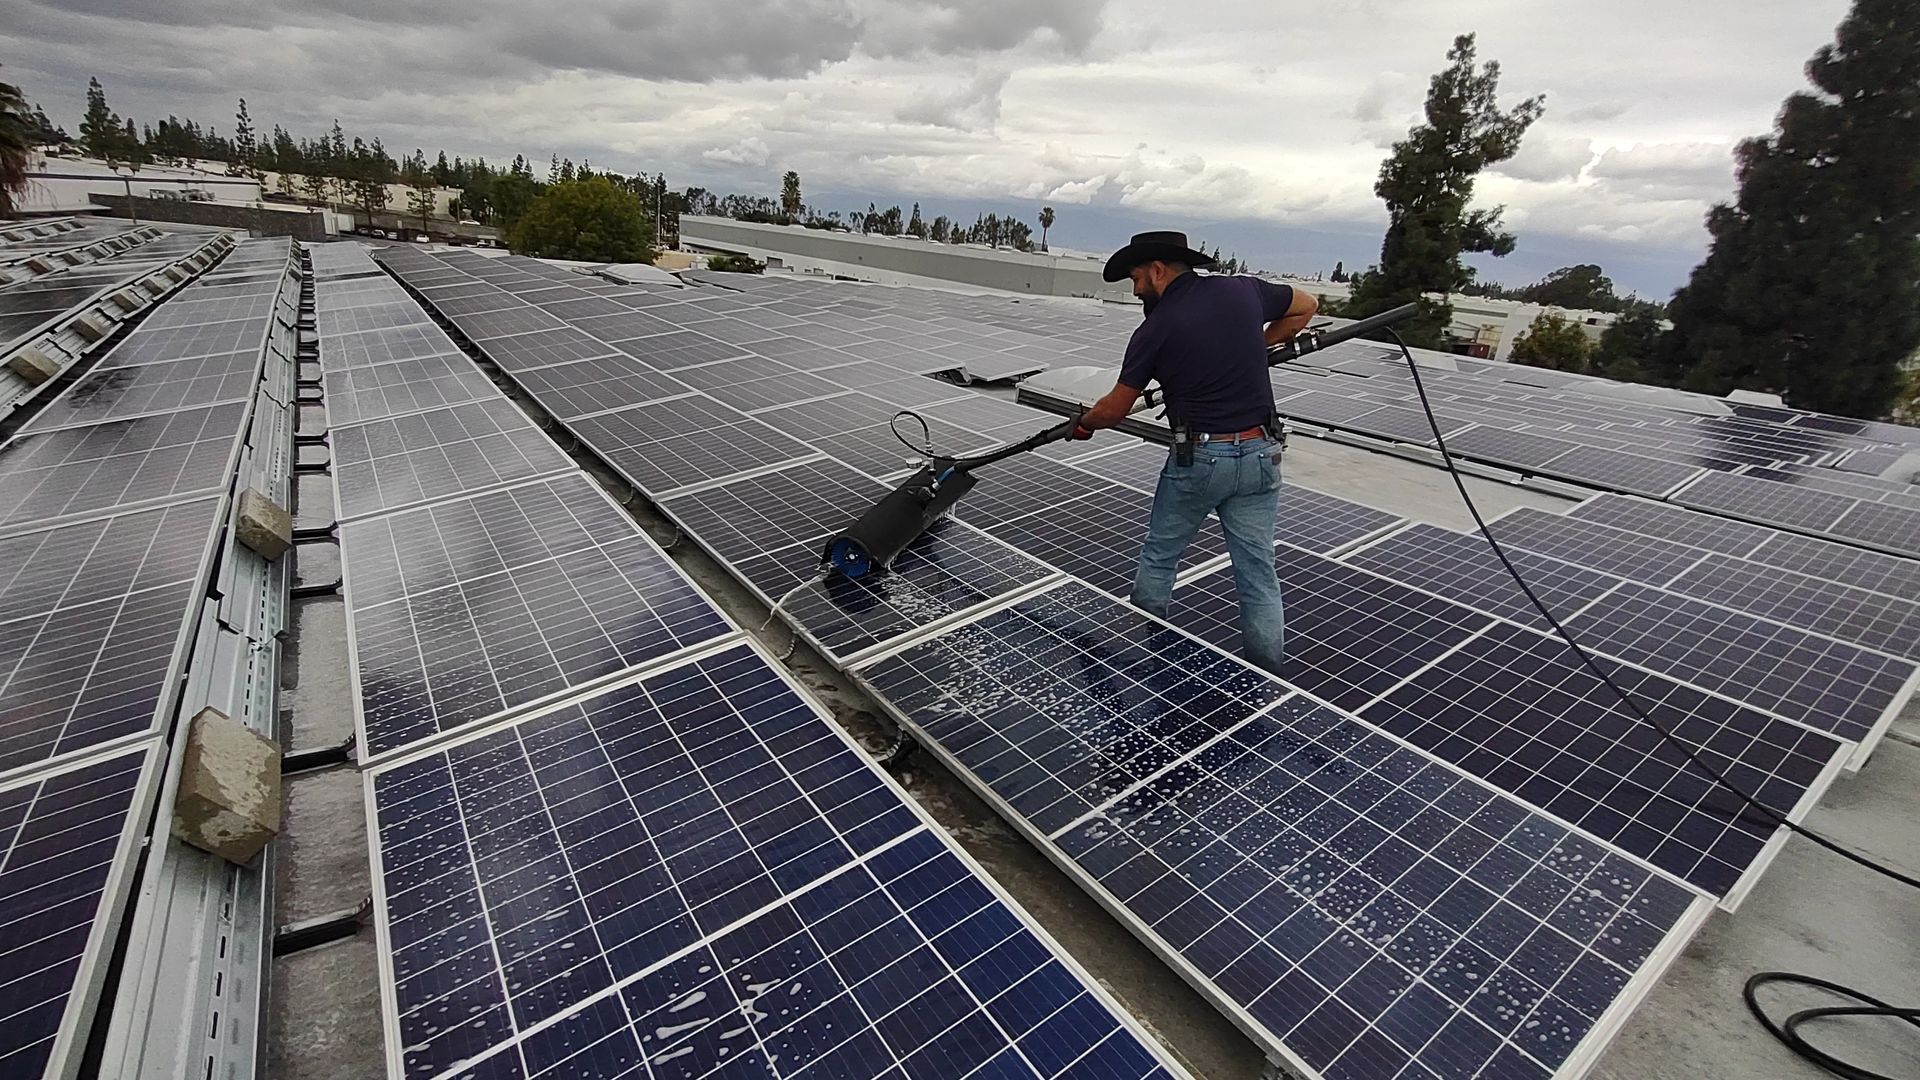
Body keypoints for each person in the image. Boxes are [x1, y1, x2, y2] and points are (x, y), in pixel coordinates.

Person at [1072, 230, 1318, 675]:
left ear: (1159, 270)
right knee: (1259, 575)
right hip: (1263, 453)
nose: (1134, 289)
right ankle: (1269, 678)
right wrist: (1256, 347)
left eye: (1135, 277)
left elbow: (1117, 407)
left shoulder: (1156, 329)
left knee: (1160, 558)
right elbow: (1308, 306)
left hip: (1201, 460)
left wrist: (1085, 423)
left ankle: (1141, 660)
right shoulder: (1244, 291)